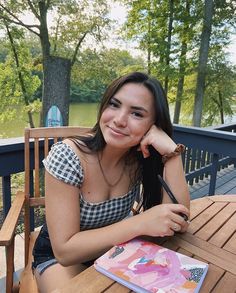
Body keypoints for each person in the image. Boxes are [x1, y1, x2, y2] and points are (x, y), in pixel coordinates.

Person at [32, 71, 190, 292]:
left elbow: (179, 221)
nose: (119, 120)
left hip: (116, 250)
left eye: (137, 114)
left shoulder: (138, 160)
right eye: (114, 105)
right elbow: (65, 251)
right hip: (59, 258)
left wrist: (172, 154)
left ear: (153, 125)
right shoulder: (67, 157)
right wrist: (140, 222)